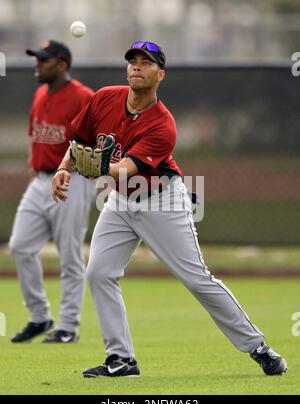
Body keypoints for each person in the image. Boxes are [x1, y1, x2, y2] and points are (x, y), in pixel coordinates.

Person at [52, 41, 287, 375]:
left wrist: (98, 168)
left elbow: (126, 169)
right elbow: (78, 143)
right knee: (99, 272)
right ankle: (121, 359)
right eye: (132, 60)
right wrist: (64, 167)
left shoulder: (162, 124)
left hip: (161, 200)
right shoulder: (104, 97)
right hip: (119, 200)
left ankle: (259, 348)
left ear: (160, 74)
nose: (136, 66)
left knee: (196, 279)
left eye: (146, 62)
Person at [9, 40, 94, 343]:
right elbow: (37, 137)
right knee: (19, 246)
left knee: (69, 255)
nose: (37, 64)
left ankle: (68, 326)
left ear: (61, 64)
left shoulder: (83, 97)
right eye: (37, 59)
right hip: (41, 181)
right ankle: (40, 316)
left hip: (74, 180)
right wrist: (35, 166)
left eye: (44, 60)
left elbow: (100, 138)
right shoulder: (40, 93)